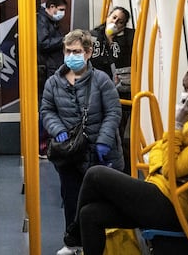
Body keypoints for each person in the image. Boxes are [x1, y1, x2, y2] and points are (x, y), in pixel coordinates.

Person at [63, 62, 188, 255]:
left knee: (95, 174)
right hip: (162, 191)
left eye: (187, 90)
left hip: (177, 207)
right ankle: (78, 231)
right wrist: (167, 158)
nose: (183, 95)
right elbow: (157, 153)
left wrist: (176, 126)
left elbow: (170, 170)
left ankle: (74, 233)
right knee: (90, 214)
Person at [40, 29, 124, 255]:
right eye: (68, 51)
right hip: (69, 152)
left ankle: (98, 245)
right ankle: (72, 242)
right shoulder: (53, 83)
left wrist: (105, 140)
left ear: (87, 53)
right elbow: (47, 110)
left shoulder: (101, 80)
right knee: (71, 198)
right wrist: (57, 130)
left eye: (76, 51)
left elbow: (113, 112)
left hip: (98, 151)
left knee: (96, 203)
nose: (71, 56)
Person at [90, 6, 135, 174]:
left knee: (118, 131)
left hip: (121, 91)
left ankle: (122, 170)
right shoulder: (94, 37)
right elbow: (97, 61)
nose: (115, 22)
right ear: (107, 16)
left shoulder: (129, 38)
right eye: (113, 17)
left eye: (120, 21)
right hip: (98, 91)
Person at [37, 0, 68, 158]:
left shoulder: (50, 22)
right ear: (52, 7)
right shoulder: (42, 21)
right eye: (61, 10)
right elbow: (42, 43)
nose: (62, 13)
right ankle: (42, 145)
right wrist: (63, 40)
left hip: (50, 69)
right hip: (45, 71)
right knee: (45, 108)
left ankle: (47, 142)